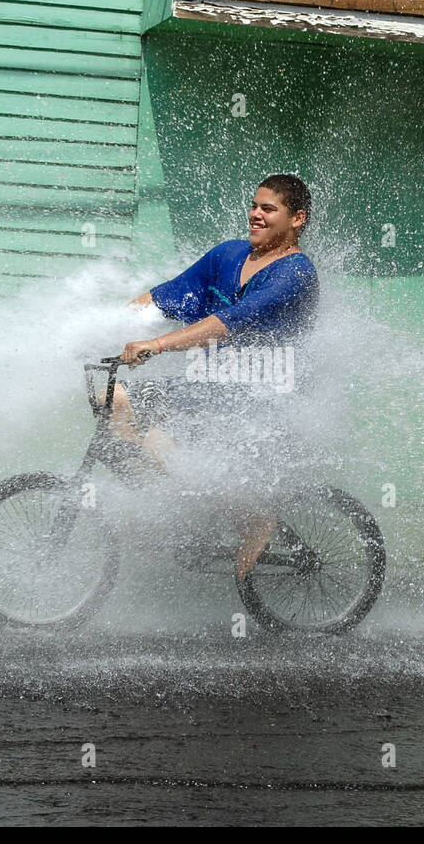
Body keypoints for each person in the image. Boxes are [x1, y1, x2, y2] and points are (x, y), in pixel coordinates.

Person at [112, 173, 318, 580]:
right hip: (212, 387)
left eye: (268, 209)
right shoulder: (228, 255)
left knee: (146, 412)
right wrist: (100, 328)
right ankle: (169, 506)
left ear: (297, 219)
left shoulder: (295, 274)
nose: (255, 215)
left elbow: (228, 323)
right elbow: (166, 295)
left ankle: (254, 516)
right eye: (254, 206)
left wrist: (155, 345)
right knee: (112, 399)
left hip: (267, 397)